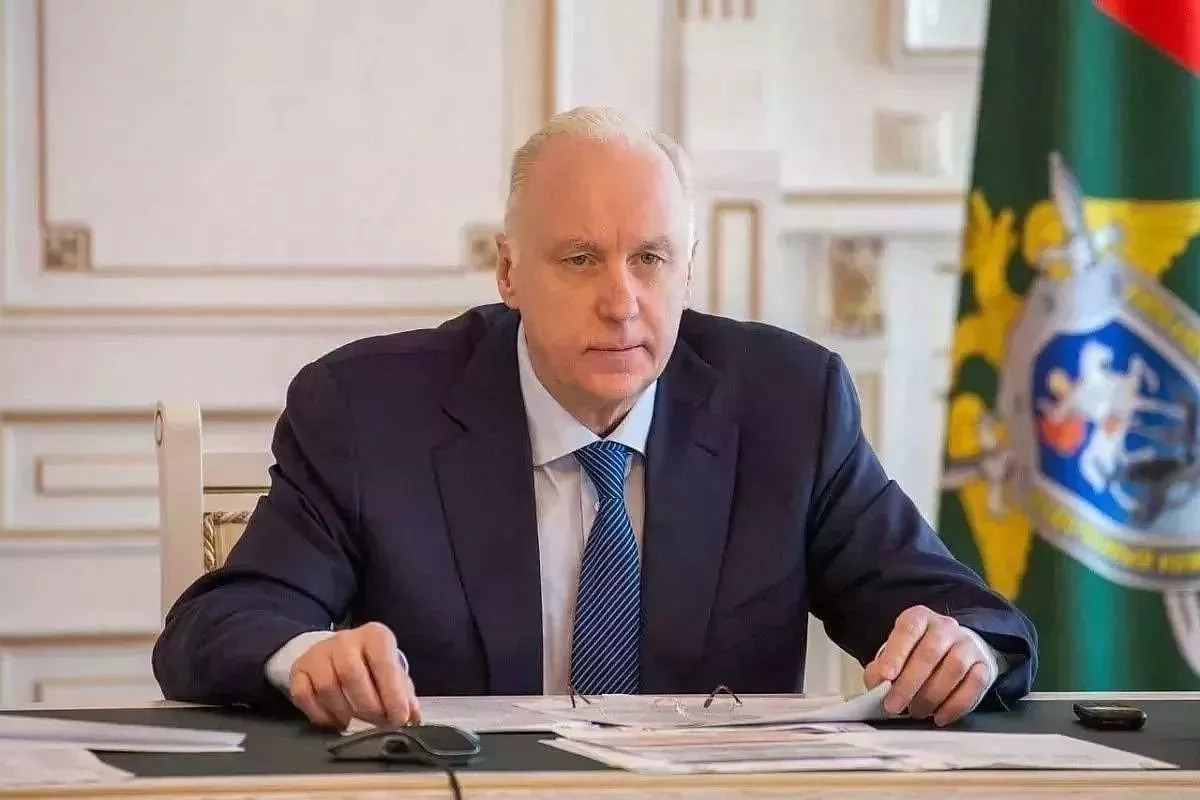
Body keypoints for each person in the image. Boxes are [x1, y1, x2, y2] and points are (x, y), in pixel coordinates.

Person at [152, 106, 1037, 731]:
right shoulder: (366, 411)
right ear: (508, 272)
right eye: (579, 259)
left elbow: (970, 618)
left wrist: (960, 647)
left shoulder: (790, 404)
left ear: (688, 271)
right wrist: (308, 655)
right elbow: (219, 627)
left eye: (650, 258)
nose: (622, 302)